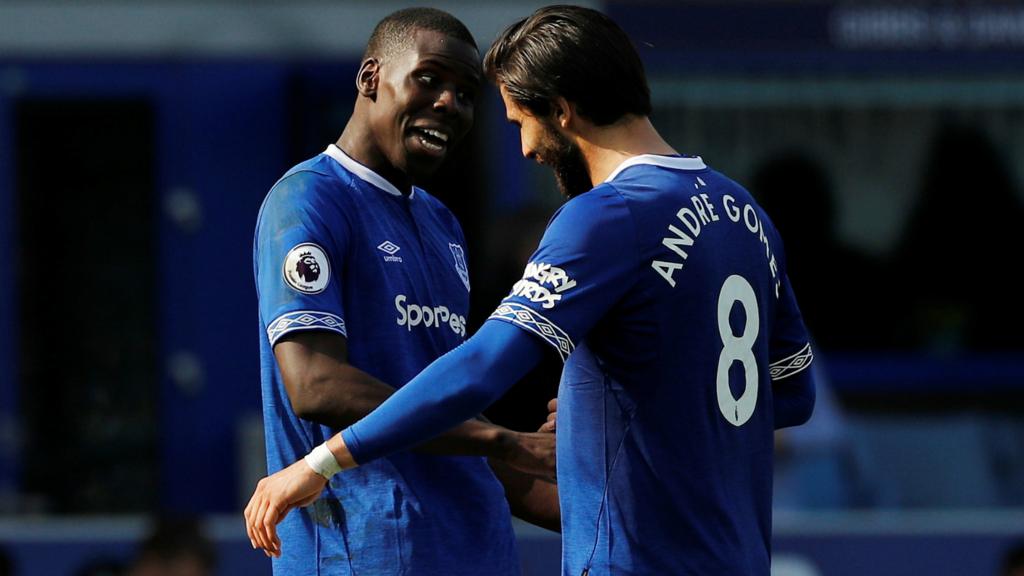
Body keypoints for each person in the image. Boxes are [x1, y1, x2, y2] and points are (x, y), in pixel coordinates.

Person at [247, 6, 815, 575]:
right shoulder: (746, 214)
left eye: (519, 121)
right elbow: (790, 393)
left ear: (563, 112)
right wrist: (612, 428)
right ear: (370, 77)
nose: (523, 150)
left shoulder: (604, 214)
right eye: (431, 80)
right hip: (727, 551)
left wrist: (320, 461)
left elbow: (482, 369)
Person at [248, 7, 558, 575]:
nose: (449, 103)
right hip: (367, 552)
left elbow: (449, 412)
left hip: (476, 547)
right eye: (430, 78)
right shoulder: (308, 201)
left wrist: (586, 493)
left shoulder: (443, 225)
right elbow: (316, 385)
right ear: (371, 79)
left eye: (466, 94)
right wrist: (505, 439)